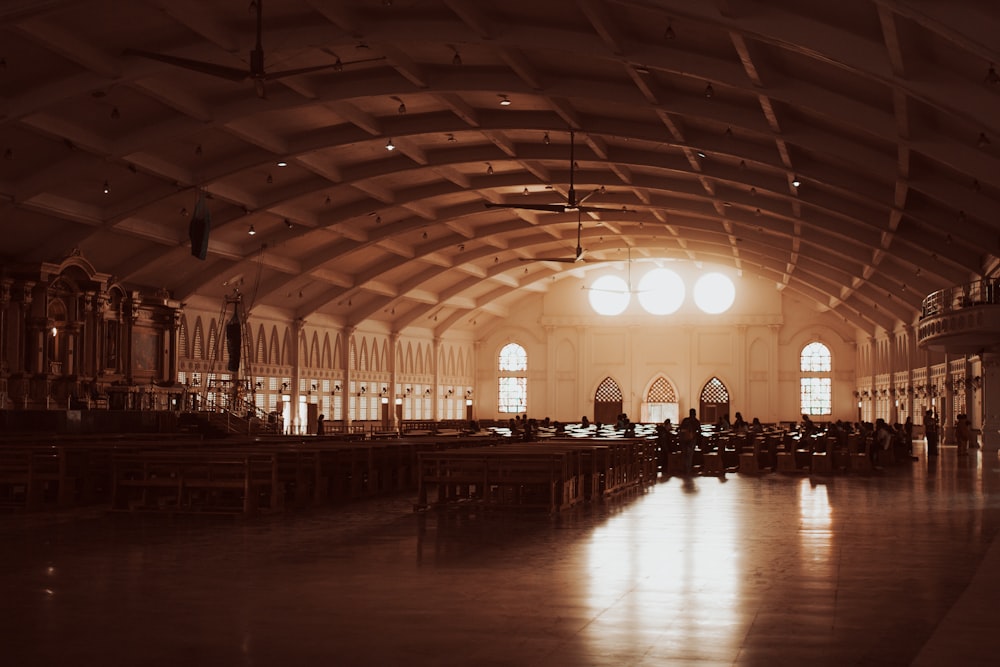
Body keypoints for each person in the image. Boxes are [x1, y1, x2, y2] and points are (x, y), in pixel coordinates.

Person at [679, 408, 701, 475]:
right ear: (695, 413)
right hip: (692, 440)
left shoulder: (685, 420)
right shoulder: (696, 421)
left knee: (684, 454)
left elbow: (680, 428)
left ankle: (683, 468)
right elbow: (699, 431)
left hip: (683, 440)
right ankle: (688, 469)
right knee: (690, 455)